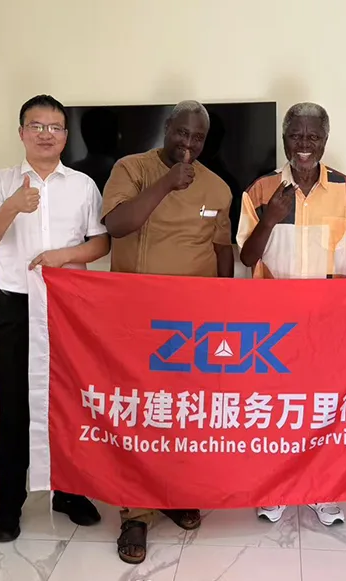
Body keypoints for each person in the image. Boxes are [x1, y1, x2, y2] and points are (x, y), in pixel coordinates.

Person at [101, 100, 233, 564]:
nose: (188, 144)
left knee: (184, 413)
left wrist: (224, 311)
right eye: (182, 133)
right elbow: (118, 225)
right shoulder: (132, 168)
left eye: (198, 138)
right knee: (140, 416)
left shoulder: (218, 188)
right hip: (136, 318)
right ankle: (136, 513)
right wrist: (166, 183)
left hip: (193, 325)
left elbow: (222, 251)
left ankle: (174, 494)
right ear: (167, 128)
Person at [0, 94, 110, 542]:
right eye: (36, 126)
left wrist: (63, 256)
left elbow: (101, 243)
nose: (45, 135)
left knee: (69, 403)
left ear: (65, 136)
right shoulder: (0, 182)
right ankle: (8, 504)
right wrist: (13, 205)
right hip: (16, 306)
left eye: (54, 128)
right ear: (22, 133)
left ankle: (69, 493)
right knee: (15, 407)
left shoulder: (83, 185)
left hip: (69, 307)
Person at [237, 102, 346, 526]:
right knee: (277, 408)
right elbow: (247, 257)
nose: (304, 144)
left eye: (313, 136)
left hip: (326, 322)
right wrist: (271, 219)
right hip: (271, 325)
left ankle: (321, 489)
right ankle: (276, 489)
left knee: (321, 409)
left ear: (325, 140)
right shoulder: (260, 191)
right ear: (284, 138)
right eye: (296, 135)